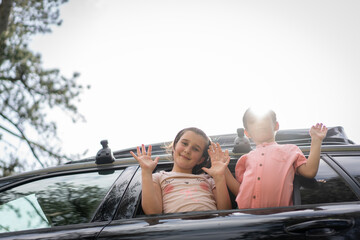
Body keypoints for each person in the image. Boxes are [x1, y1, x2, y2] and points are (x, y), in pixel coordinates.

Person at [224, 108, 328, 209]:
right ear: (247, 133)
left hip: (277, 219)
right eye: (253, 121)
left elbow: (309, 171)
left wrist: (316, 140)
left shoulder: (290, 150)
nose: (259, 123)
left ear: (276, 126)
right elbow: (241, 192)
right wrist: (224, 169)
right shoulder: (244, 159)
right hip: (246, 220)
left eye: (264, 119)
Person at [130, 127, 231, 214]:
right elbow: (153, 212)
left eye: (195, 149)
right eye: (184, 143)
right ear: (174, 146)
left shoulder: (208, 179)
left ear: (201, 159)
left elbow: (225, 212)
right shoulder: (158, 177)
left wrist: (219, 178)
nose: (187, 150)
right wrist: (146, 172)